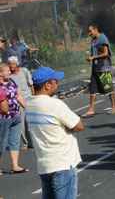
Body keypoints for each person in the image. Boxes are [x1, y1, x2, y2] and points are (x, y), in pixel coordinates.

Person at [26, 67, 84, 199]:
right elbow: (79, 125)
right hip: (62, 163)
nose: (57, 83)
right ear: (47, 85)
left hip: (44, 164)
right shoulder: (55, 104)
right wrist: (67, 128)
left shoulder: (29, 104)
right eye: (55, 81)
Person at [83, 24, 115, 118]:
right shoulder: (93, 40)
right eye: (88, 31)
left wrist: (93, 57)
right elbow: (94, 52)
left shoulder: (102, 38)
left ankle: (114, 107)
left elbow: (106, 53)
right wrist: (91, 58)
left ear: (95, 29)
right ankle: (91, 109)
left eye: (90, 31)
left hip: (104, 67)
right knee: (92, 88)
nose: (89, 33)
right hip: (95, 67)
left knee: (108, 87)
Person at [0, 63, 27, 174]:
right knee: (1, 142)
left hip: (15, 115)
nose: (9, 72)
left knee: (15, 141)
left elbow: (18, 95)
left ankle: (15, 165)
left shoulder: (12, 82)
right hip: (3, 117)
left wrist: (26, 107)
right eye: (7, 71)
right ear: (0, 73)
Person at [7, 56, 33, 149]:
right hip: (18, 101)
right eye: (9, 64)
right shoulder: (9, 76)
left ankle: (33, 141)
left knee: (31, 121)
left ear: (17, 63)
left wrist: (34, 97)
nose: (10, 66)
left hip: (29, 99)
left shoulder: (24, 71)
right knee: (22, 123)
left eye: (12, 64)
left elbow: (31, 85)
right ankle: (26, 143)